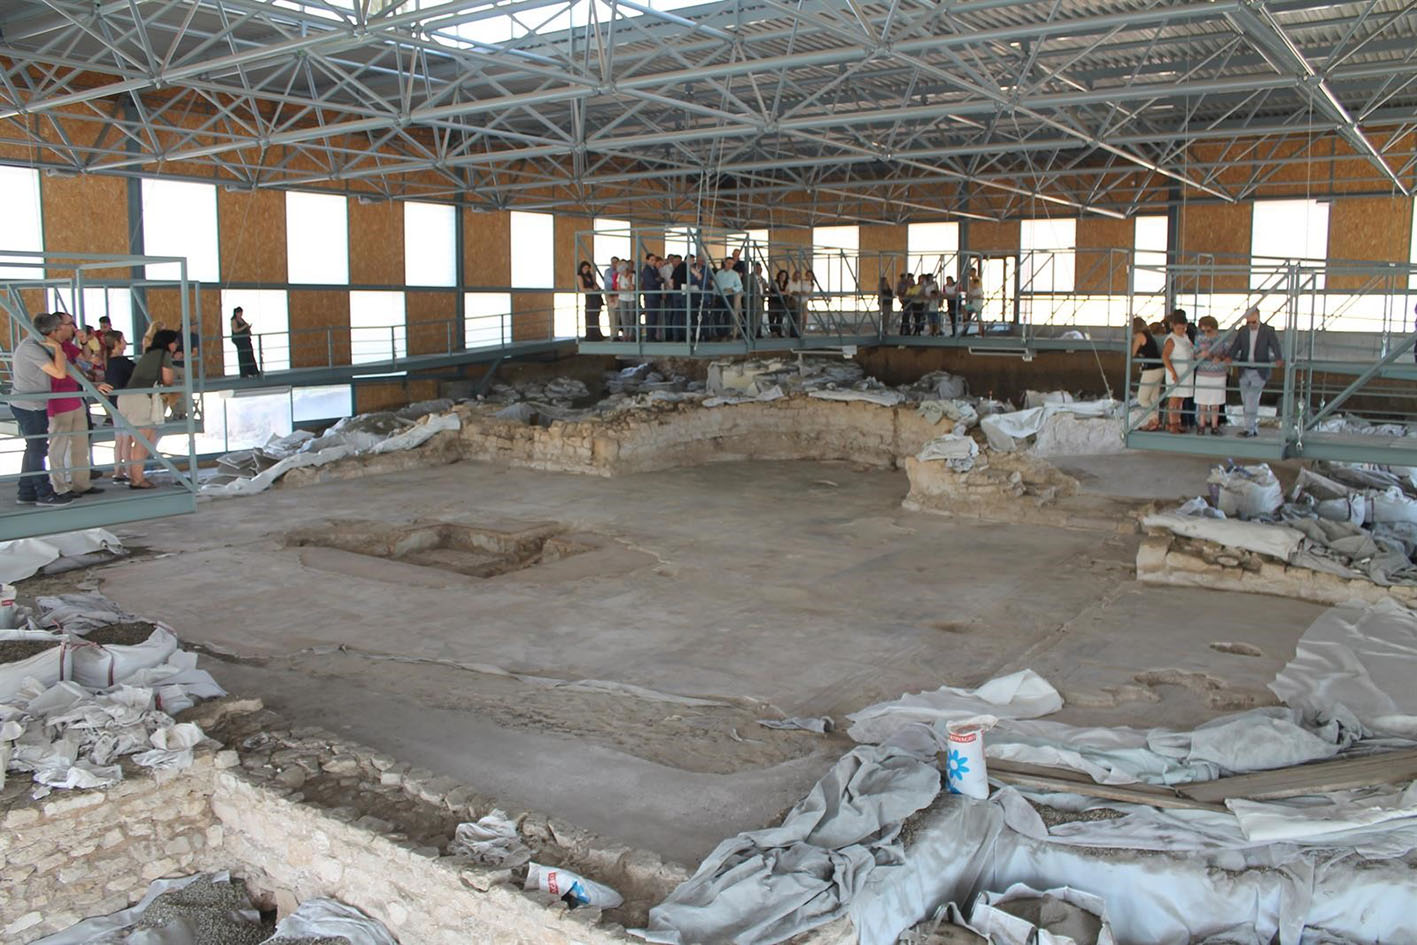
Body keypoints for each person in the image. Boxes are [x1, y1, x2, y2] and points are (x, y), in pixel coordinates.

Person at [9, 313, 74, 505]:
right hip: (29, 406)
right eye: (62, 328)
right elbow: (60, 372)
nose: (66, 332)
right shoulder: (32, 348)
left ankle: (27, 491)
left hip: (34, 404)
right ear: (52, 332)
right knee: (37, 449)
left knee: (34, 448)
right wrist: (57, 347)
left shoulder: (37, 345)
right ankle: (44, 493)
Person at [48, 311, 107, 497]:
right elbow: (73, 368)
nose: (74, 327)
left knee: (80, 445)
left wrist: (84, 342)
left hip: (75, 399)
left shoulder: (67, 346)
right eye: (70, 323)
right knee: (58, 447)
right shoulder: (49, 347)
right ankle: (59, 486)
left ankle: (81, 483)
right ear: (58, 326)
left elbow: (86, 359)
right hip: (58, 401)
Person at [118, 329, 178, 489]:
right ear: (169, 343)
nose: (176, 345)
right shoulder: (163, 355)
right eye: (175, 342)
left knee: (147, 439)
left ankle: (136, 476)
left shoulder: (149, 354)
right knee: (142, 442)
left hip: (128, 398)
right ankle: (137, 480)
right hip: (140, 399)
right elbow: (168, 379)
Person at [1225, 305, 1283, 438]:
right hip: (1245, 369)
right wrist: (1229, 357)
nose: (1251, 325)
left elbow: (1275, 345)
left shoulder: (1268, 331)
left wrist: (1279, 358)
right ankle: (1252, 427)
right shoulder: (1243, 331)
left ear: (1259, 319)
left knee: (1251, 398)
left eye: (1254, 322)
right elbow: (1236, 346)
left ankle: (1249, 429)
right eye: (1248, 322)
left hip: (1260, 370)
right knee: (1246, 400)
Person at [103, 331, 136, 482]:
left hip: (113, 402)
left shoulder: (109, 361)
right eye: (123, 339)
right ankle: (130, 471)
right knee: (126, 438)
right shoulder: (122, 361)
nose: (125, 342)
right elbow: (136, 372)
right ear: (116, 343)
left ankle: (118, 471)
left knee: (119, 439)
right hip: (122, 402)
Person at [1193, 316, 1229, 435]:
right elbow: (1193, 354)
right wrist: (1200, 355)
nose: (1206, 333)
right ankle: (1201, 425)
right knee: (1202, 402)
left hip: (1218, 374)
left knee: (1215, 402)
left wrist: (1220, 358)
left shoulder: (1222, 339)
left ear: (1215, 329)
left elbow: (1228, 354)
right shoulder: (1199, 339)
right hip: (1203, 373)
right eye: (1203, 331)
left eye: (1208, 331)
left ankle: (1214, 426)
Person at [1161, 311, 1195, 434]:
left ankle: (1177, 422)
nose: (1181, 330)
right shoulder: (1171, 340)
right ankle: (1172, 423)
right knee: (1174, 399)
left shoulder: (1185, 337)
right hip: (1176, 373)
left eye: (1183, 328)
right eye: (1178, 328)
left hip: (1185, 372)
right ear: (1173, 326)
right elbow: (1165, 356)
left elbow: (1192, 350)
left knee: (1180, 399)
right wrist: (1173, 372)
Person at [1131, 316, 1164, 431]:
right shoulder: (1149, 335)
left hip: (1151, 370)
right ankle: (1154, 421)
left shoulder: (1140, 336)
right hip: (1159, 368)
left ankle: (1154, 418)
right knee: (1153, 397)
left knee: (1142, 398)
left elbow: (1132, 353)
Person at [713, 257, 743, 339]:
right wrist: (714, 294)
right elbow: (715, 285)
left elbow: (740, 286)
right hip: (719, 296)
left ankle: (726, 334)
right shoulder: (719, 273)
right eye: (729, 263)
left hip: (729, 296)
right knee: (717, 315)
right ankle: (719, 333)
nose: (730, 265)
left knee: (728, 316)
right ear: (725, 263)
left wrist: (732, 289)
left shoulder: (735, 274)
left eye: (732, 264)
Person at [231, 306, 262, 377]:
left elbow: (245, 326)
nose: (241, 314)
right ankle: (244, 372)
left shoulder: (241, 319)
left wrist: (248, 328)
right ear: (236, 313)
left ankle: (253, 371)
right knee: (243, 356)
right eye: (240, 313)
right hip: (240, 340)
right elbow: (235, 330)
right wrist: (244, 327)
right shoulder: (234, 320)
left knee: (250, 354)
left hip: (246, 339)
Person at [577, 262, 604, 341]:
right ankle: (590, 335)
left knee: (596, 315)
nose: (586, 270)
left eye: (587, 268)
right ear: (581, 268)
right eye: (585, 268)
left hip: (595, 297)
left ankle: (597, 334)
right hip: (589, 297)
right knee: (590, 315)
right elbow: (582, 288)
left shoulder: (590, 276)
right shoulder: (579, 276)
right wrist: (591, 289)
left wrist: (596, 288)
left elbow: (596, 285)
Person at [769, 269, 790, 338]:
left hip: (781, 303)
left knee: (780, 318)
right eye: (781, 275)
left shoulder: (786, 283)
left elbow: (788, 291)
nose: (783, 277)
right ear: (779, 276)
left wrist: (783, 293)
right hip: (773, 302)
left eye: (784, 276)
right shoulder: (775, 282)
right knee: (772, 317)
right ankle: (773, 332)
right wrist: (784, 293)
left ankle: (779, 332)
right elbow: (778, 291)